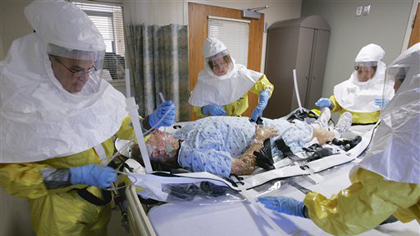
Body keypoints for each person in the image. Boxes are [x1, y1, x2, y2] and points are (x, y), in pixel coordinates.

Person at [0, 1, 175, 235]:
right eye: (75, 69)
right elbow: (11, 176)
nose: (84, 79)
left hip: (98, 200)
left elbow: (122, 126)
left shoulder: (93, 90)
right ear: (48, 59)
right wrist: (71, 175)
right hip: (60, 212)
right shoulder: (24, 105)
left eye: (90, 68)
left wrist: (148, 122)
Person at [258, 43, 420, 235]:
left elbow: (378, 192)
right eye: (360, 70)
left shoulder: (408, 133)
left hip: (366, 134)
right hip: (347, 131)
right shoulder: (352, 87)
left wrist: (310, 209)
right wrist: (328, 106)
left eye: (368, 71)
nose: (394, 85)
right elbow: (340, 101)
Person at [133, 109, 353, 178]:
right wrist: (260, 137)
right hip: (265, 136)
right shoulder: (195, 157)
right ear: (160, 152)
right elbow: (244, 167)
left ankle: (323, 123)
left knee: (292, 123)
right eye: (153, 137)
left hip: (257, 123)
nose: (158, 132)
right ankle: (335, 132)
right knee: (301, 131)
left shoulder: (179, 137)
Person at [189, 38, 274, 121]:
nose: (220, 68)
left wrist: (264, 97)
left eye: (223, 63)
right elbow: (196, 105)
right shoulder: (205, 80)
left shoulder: (240, 74)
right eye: (215, 65)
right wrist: (205, 109)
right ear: (209, 67)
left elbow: (262, 84)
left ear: (228, 60)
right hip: (213, 122)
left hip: (236, 121)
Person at [315, 43, 395, 124]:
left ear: (376, 72)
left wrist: (389, 107)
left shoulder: (384, 90)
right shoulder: (348, 86)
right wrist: (330, 104)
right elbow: (338, 103)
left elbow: (393, 119)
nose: (363, 75)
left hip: (369, 132)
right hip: (345, 129)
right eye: (360, 71)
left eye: (367, 71)